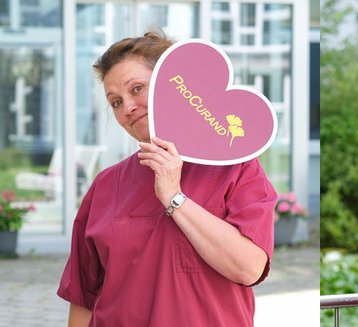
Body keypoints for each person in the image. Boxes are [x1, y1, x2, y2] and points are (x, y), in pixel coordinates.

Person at [58, 31, 277, 326]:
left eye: (137, 89)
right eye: (116, 102)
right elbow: (83, 295)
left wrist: (174, 197)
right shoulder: (106, 184)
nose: (128, 108)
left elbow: (249, 267)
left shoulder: (235, 168)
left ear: (172, 85)